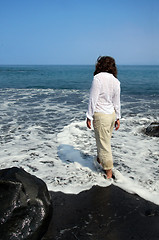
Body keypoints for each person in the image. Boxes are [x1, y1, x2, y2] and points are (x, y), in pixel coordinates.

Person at [86, 56, 121, 179]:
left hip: (101, 115)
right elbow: (117, 102)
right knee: (104, 141)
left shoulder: (98, 78)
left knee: (104, 145)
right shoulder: (116, 81)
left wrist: (89, 116)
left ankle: (109, 174)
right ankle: (99, 161)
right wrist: (117, 117)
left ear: (100, 65)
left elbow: (93, 99)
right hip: (111, 115)